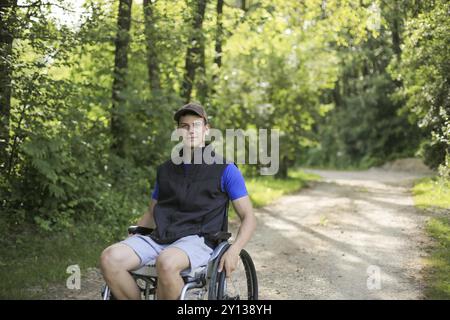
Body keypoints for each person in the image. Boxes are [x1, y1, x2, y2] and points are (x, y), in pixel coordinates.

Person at [100, 102, 256, 300]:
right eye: (185, 126)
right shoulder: (165, 170)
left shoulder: (225, 169)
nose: (191, 131)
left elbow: (248, 217)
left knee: (166, 262)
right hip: (161, 237)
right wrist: (135, 234)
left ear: (206, 130)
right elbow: (151, 213)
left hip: (199, 239)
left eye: (197, 125)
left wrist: (234, 250)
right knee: (110, 258)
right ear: (178, 132)